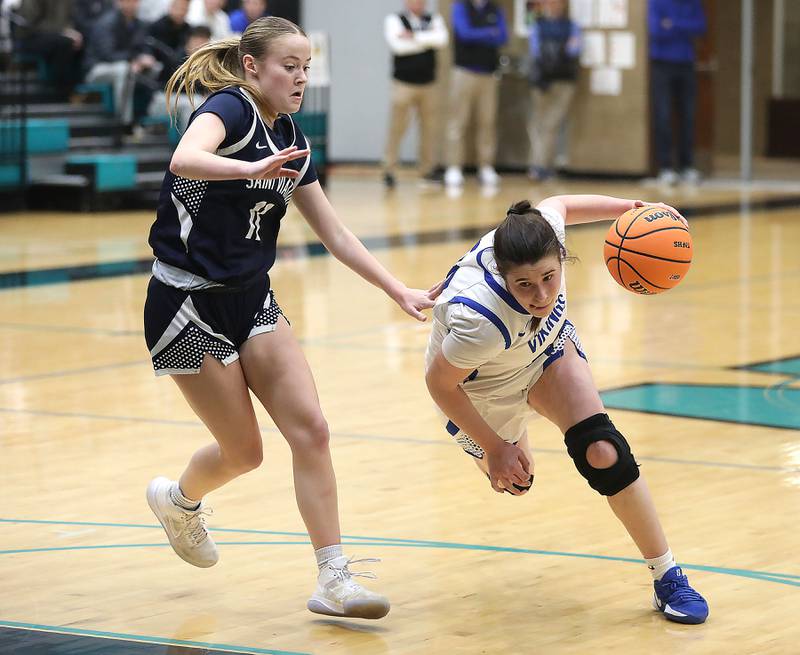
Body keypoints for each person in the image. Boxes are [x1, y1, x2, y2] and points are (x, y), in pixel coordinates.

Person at [144, 16, 437, 620]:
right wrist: (248, 170)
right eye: (289, 67)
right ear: (253, 67)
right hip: (186, 304)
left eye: (307, 67)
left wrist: (393, 287)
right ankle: (179, 502)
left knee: (312, 430)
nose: (301, 77)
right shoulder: (228, 109)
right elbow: (184, 157)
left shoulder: (291, 136)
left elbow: (334, 232)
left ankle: (333, 578)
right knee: (244, 452)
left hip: (251, 297)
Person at [424, 195, 709, 625]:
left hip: (545, 353)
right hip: (485, 389)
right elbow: (438, 383)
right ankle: (509, 437)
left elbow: (559, 203)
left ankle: (667, 574)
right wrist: (494, 447)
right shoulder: (479, 320)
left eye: (549, 278)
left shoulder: (546, 233)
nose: (541, 295)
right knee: (517, 482)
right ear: (503, 275)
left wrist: (629, 209)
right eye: (525, 285)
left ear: (559, 255)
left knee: (603, 451)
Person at [381, 0, 448, 189]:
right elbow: (398, 47)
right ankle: (389, 170)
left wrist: (413, 37)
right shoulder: (395, 20)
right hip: (403, 84)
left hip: (429, 84)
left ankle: (427, 170)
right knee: (397, 128)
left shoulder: (434, 18)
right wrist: (427, 40)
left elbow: (442, 40)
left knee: (429, 129)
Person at [444, 0, 508, 190]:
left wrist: (482, 34)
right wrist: (489, 32)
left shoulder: (495, 9)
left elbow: (503, 36)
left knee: (487, 121)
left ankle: (486, 166)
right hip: (464, 72)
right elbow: (465, 33)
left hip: (489, 73)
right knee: (458, 121)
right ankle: (454, 167)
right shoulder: (460, 7)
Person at [648, 0, 706, 186]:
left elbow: (700, 27)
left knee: (688, 116)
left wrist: (673, 23)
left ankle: (686, 166)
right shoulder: (657, 2)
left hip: (686, 64)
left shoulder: (693, 2)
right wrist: (683, 26)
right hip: (661, 64)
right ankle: (665, 167)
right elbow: (656, 31)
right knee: (663, 116)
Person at [526, 0, 581, 181]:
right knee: (538, 124)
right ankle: (538, 165)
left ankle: (542, 166)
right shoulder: (538, 25)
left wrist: (558, 53)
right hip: (543, 80)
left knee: (552, 124)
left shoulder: (571, 25)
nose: (553, 4)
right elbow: (536, 52)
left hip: (564, 80)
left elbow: (574, 49)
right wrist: (559, 52)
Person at [83, 0, 159, 126]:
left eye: (135, 1)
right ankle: (124, 123)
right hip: (96, 69)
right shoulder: (107, 22)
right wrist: (134, 60)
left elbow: (143, 47)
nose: (131, 4)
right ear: (119, 2)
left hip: (128, 66)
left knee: (155, 67)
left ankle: (149, 120)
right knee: (123, 69)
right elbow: (107, 54)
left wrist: (145, 59)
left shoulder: (139, 23)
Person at [16, 0, 83, 100]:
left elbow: (69, 20)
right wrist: (62, 31)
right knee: (64, 44)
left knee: (78, 41)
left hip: (57, 35)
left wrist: (73, 33)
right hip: (30, 37)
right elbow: (28, 24)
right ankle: (58, 92)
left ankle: (79, 89)